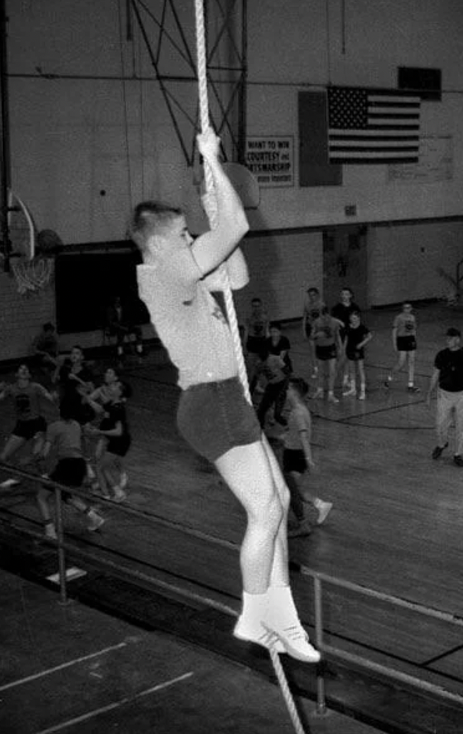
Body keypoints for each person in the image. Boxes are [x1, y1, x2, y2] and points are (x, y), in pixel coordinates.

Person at [131, 129, 318, 663]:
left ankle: (281, 620)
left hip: (225, 397)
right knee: (263, 510)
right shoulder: (164, 272)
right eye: (185, 234)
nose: (192, 239)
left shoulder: (182, 272)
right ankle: (256, 615)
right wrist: (211, 162)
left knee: (278, 502)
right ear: (161, 241)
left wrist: (213, 200)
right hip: (209, 401)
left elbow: (235, 272)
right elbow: (235, 228)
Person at [34, 404, 106, 540]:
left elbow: (45, 453)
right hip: (79, 465)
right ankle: (94, 518)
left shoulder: (53, 426)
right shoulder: (76, 425)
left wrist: (36, 455)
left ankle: (50, 531)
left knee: (41, 497)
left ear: (59, 412)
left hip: (66, 465)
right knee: (66, 495)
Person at [274, 377, 332, 537]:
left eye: (288, 389)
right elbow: (296, 433)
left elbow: (304, 436)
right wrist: (284, 436)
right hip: (292, 453)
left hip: (295, 455)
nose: (285, 392)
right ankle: (319, 505)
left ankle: (304, 521)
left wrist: (308, 458)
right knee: (292, 489)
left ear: (294, 393)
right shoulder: (299, 411)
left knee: (291, 490)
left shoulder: (298, 413)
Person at [427, 327, 463, 468]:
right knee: (440, 424)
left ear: (457, 339)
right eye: (446, 338)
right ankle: (442, 443)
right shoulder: (441, 355)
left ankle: (458, 454)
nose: (447, 341)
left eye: (450, 338)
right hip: (444, 394)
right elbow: (435, 374)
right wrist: (429, 392)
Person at [0, 364, 56, 489]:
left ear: (29, 375)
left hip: (37, 425)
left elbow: (50, 398)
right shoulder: (11, 388)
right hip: (22, 426)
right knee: (2, 457)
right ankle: (17, 477)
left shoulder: (36, 387)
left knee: (37, 455)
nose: (24, 370)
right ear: (16, 375)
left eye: (26, 369)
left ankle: (44, 476)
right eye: (21, 369)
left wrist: (54, 397)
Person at [86, 379, 132, 502]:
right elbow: (101, 409)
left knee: (100, 466)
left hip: (120, 442)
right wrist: (89, 399)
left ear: (119, 392)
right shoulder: (112, 403)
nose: (112, 386)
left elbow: (119, 431)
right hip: (114, 441)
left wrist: (99, 432)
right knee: (102, 466)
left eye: (116, 385)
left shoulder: (118, 408)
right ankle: (114, 493)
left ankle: (110, 494)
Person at [308, 308, 345, 403]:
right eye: (324, 317)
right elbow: (311, 336)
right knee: (320, 371)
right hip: (320, 348)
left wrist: (340, 347)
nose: (326, 320)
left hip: (331, 348)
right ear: (321, 315)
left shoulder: (334, 323)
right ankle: (319, 391)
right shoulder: (317, 322)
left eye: (328, 317)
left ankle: (331, 394)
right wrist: (317, 335)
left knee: (332, 371)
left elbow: (337, 335)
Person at [330, 288, 363, 394]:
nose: (344, 296)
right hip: (342, 335)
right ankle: (332, 380)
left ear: (350, 295)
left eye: (346, 294)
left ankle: (345, 379)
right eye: (343, 294)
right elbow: (331, 318)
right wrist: (340, 322)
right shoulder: (337, 307)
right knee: (342, 358)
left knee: (349, 358)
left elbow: (358, 320)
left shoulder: (355, 307)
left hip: (352, 335)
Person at [386, 302, 420, 392]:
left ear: (411, 308)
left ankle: (410, 385)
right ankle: (390, 377)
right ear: (403, 309)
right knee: (401, 362)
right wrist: (395, 343)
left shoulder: (412, 317)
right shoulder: (398, 317)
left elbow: (413, 329)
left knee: (411, 362)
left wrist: (414, 340)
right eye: (405, 308)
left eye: (409, 307)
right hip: (401, 340)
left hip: (411, 339)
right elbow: (394, 330)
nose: (407, 309)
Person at [341, 312, 373, 400]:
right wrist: (343, 349)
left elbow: (370, 336)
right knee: (352, 370)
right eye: (351, 318)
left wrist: (361, 344)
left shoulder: (362, 327)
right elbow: (346, 338)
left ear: (358, 318)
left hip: (358, 351)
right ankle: (353, 389)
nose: (353, 320)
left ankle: (363, 392)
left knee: (361, 370)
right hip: (349, 350)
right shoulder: (348, 327)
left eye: (354, 318)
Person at [301, 287, 326, 377]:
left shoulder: (321, 305)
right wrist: (304, 330)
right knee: (312, 350)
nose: (312, 297)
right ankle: (316, 369)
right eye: (310, 295)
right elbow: (304, 318)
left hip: (319, 328)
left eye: (313, 295)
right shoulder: (307, 305)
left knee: (320, 349)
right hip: (310, 328)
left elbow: (324, 318)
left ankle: (322, 368)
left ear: (317, 295)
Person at [245, 297, 270, 362]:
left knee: (263, 361)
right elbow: (246, 332)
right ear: (251, 307)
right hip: (252, 340)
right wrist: (244, 346)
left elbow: (267, 331)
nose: (256, 308)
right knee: (251, 362)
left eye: (258, 306)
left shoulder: (265, 317)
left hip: (262, 340)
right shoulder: (248, 318)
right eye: (254, 306)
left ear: (261, 306)